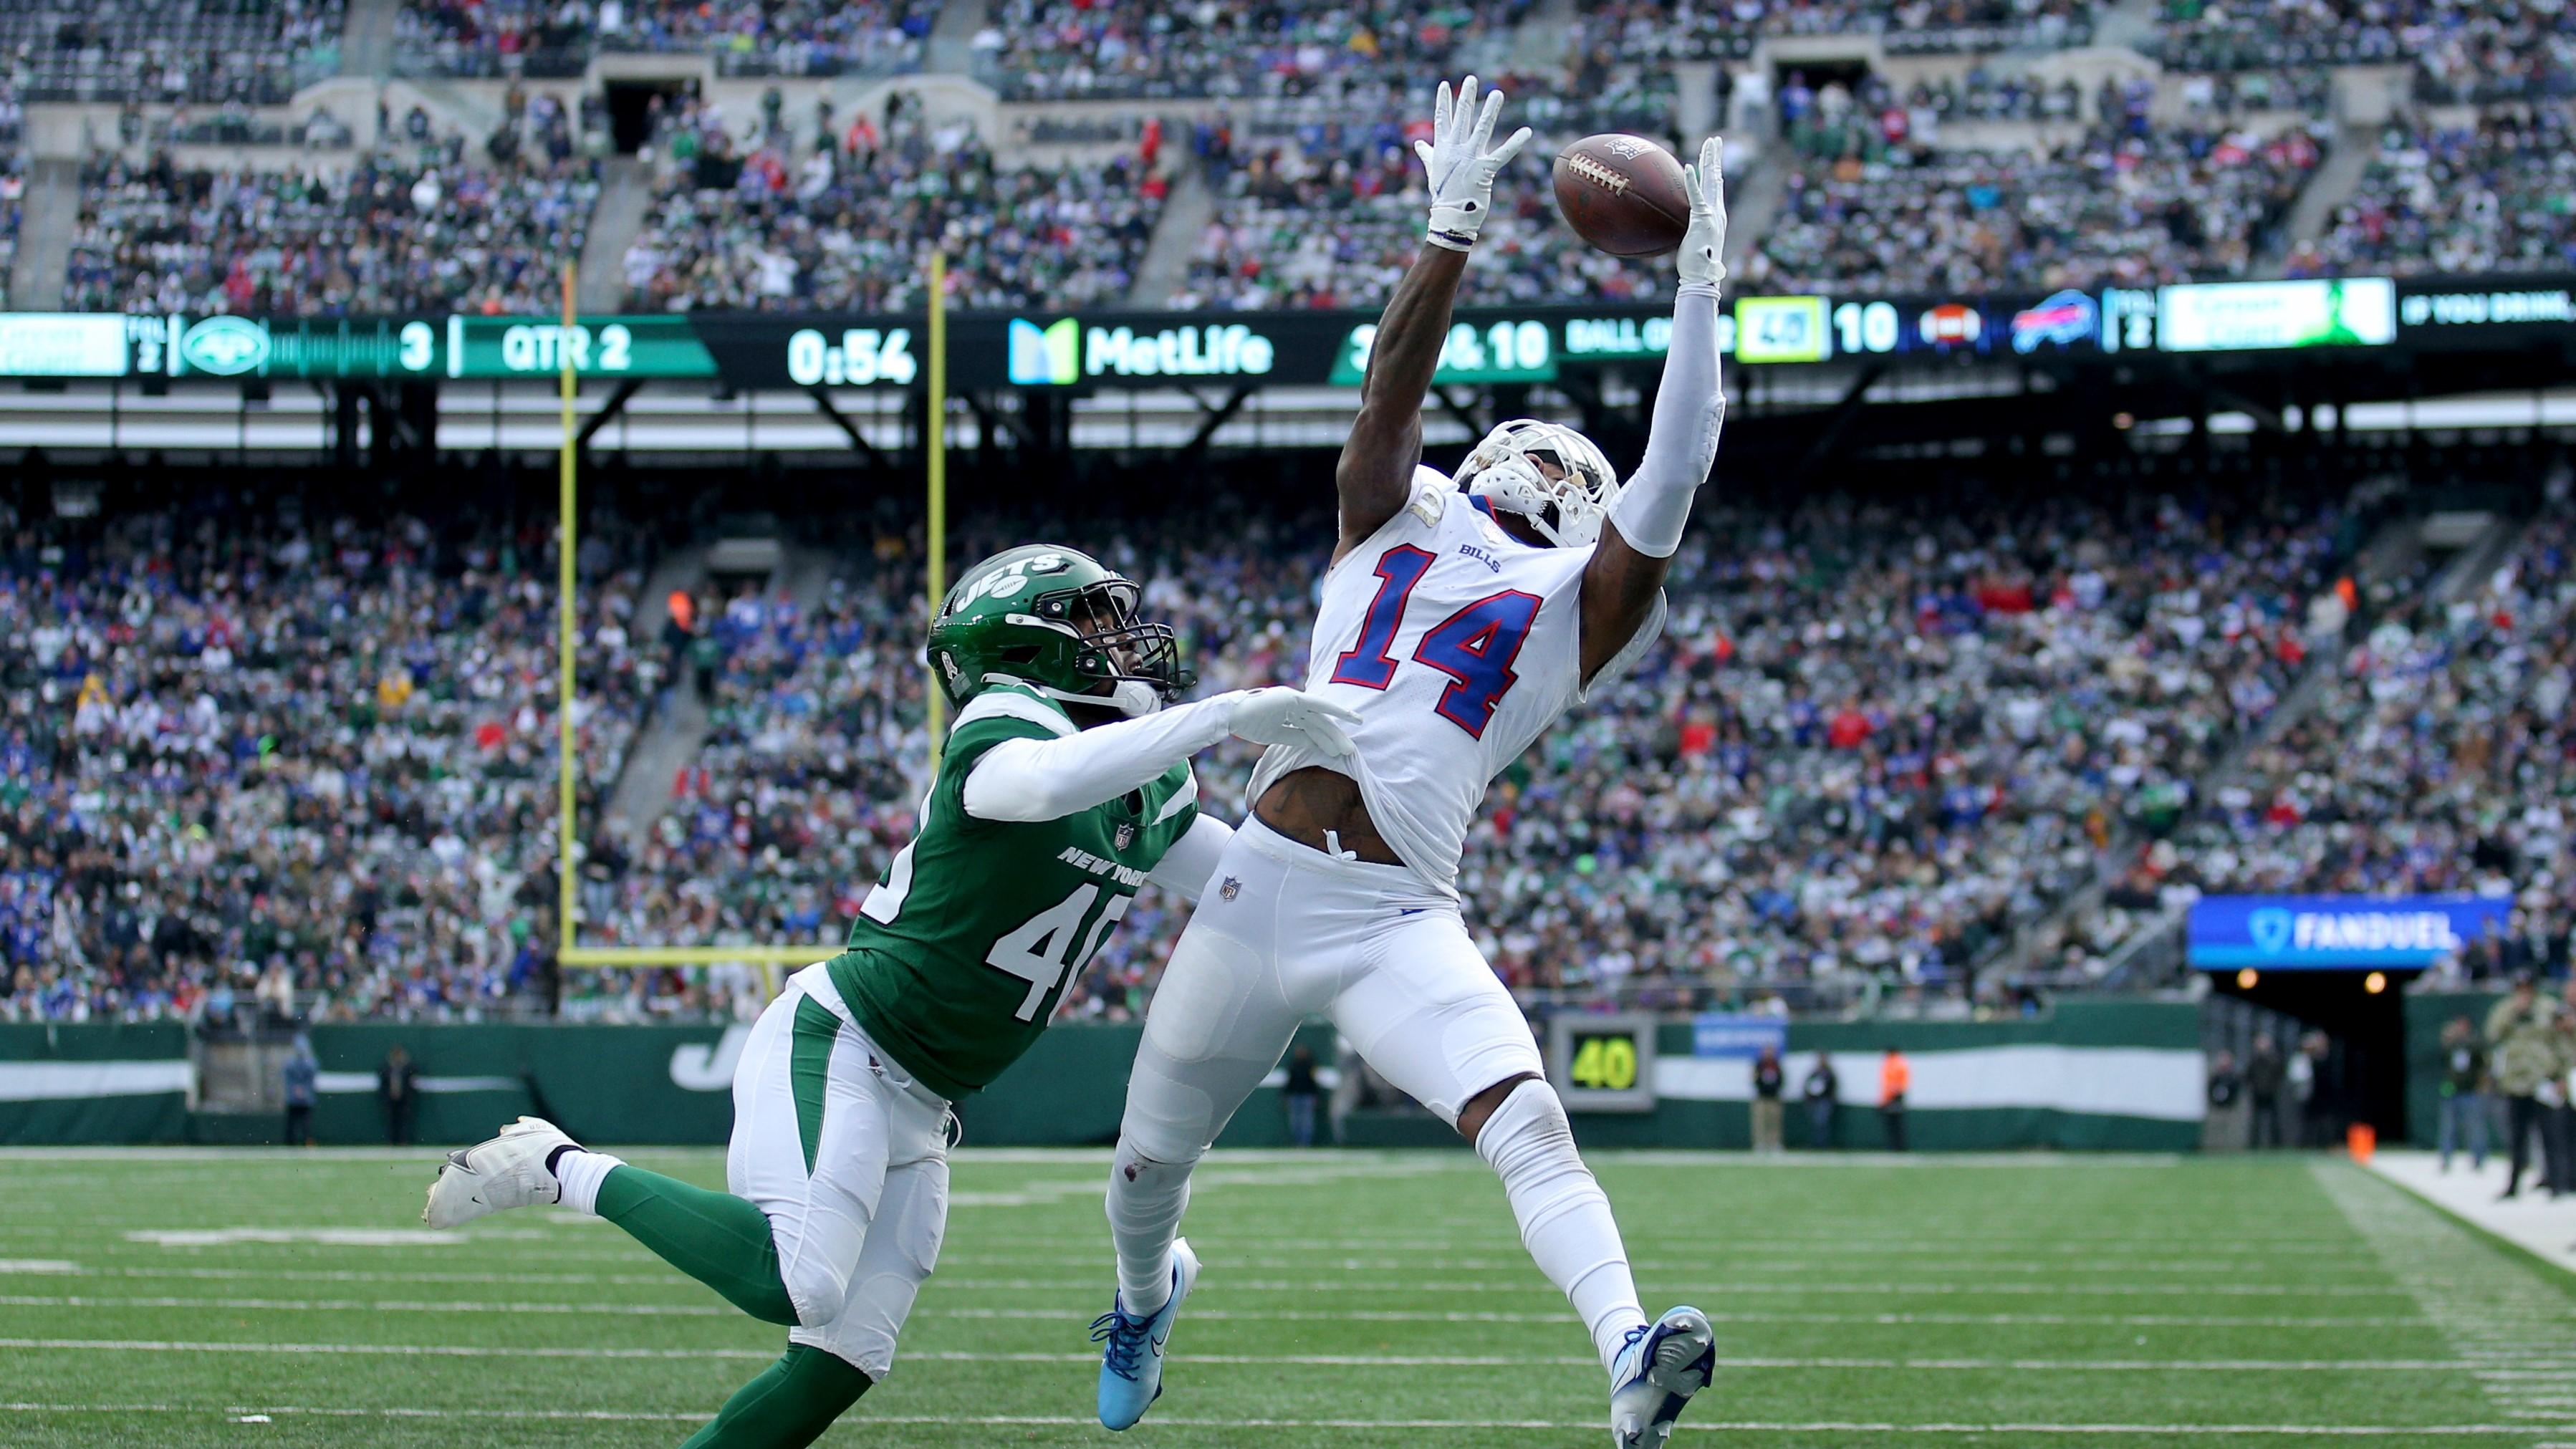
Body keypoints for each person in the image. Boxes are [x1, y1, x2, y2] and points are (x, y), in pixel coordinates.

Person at [1094, 77, 1734, 1449]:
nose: (1524, 465)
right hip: (1258, 883)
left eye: (1555, 464)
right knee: (1146, 1167)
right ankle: (1146, 1299)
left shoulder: (1576, 601)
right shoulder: (1393, 516)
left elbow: (1671, 487)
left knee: (1527, 1115)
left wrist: (1697, 300)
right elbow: (1392, 385)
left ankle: (1630, 1347)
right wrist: (1446, 229)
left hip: (1393, 914)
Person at [426, 544, 1360, 1449]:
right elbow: (1037, 786)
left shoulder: (1144, 779)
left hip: (926, 1098)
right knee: (805, 1282)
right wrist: (1226, 712)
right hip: (846, 1041)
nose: (1122, 641)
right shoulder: (1007, 722)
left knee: (843, 1359)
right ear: (1029, 643)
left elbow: (1247, 880)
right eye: (1093, 618)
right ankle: (559, 1165)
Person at [2488, 973, 2562, 1198]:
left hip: (2542, 1077)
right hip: (2516, 1081)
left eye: (2527, 987)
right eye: (2519, 987)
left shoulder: (2549, 1007)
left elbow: (2559, 1039)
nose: (2524, 992)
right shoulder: (2506, 1009)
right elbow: (2493, 1034)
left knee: (2550, 1134)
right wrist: (2515, 1012)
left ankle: (2555, 1183)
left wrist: (2558, 1074)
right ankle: (2513, 1185)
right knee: (2517, 1137)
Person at [2438, 1015, 2489, 1173]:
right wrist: (2448, 1039)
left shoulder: (2474, 1044)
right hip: (2452, 1091)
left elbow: (2481, 1056)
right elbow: (2443, 1056)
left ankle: (2478, 1159)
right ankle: (2446, 1159)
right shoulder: (2452, 1045)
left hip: (2470, 1091)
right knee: (2448, 1128)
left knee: (2474, 1127)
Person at [2244, 1033, 2285, 1150]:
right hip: (2257, 1093)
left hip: (2271, 1093)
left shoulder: (2274, 1058)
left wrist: (2274, 1087)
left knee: (2274, 1120)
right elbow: (2248, 1075)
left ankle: (2276, 1145)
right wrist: (2253, 1087)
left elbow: (2279, 1073)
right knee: (2256, 1121)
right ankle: (2254, 1144)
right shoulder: (2254, 1059)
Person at [2202, 1049, 2245, 1153]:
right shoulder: (2215, 1075)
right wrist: (2213, 1101)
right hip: (2218, 1106)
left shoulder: (2234, 1075)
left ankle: (2232, 1149)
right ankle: (2214, 1149)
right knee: (2216, 1129)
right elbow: (2210, 1089)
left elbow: (2237, 1089)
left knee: (2231, 1129)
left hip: (2230, 1106)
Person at [1281, 1043, 1323, 1147]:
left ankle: (1305, 1143)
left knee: (1307, 1121)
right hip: (1294, 1096)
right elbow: (1289, 1081)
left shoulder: (1311, 1065)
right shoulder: (1293, 1064)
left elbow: (1314, 1082)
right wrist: (1286, 1095)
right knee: (1295, 1121)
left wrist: (1316, 1096)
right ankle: (1297, 1142)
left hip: (1307, 1096)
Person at [378, 1044, 418, 1146]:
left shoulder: (407, 1068)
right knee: (391, 1121)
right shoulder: (387, 1068)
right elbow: (383, 1083)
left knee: (404, 1121)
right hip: (390, 1099)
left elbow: (413, 1078)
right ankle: (391, 1141)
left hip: (404, 1098)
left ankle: (403, 1141)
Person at [1749, 1044, 1785, 1153]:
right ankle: (1760, 1143)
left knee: (1774, 1122)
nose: (1768, 1053)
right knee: (1760, 1122)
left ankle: (1774, 1144)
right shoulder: (1759, 1064)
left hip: (1774, 1098)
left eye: (1771, 1051)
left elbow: (1781, 1079)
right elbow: (1754, 1079)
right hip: (1762, 1098)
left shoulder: (1776, 1064)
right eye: (1767, 1051)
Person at [282, 1039, 317, 1147]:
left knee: (306, 1123)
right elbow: (288, 1079)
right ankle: (291, 1142)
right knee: (292, 1123)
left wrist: (303, 1090)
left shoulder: (311, 1063)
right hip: (294, 1098)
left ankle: (307, 1141)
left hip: (305, 1099)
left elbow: (311, 1080)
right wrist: (295, 1089)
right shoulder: (290, 1064)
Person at [1802, 1053, 1838, 1149]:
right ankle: (1815, 1143)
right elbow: (1808, 1085)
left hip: (1824, 1101)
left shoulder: (1829, 1073)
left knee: (1822, 1123)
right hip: (1815, 1101)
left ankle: (1823, 1144)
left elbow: (1833, 1087)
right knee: (1816, 1123)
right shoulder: (1814, 1073)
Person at [1878, 1046, 1910, 1152]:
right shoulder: (1900, 1063)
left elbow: (1892, 1085)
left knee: (1894, 1124)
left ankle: (1897, 1147)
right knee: (1895, 1124)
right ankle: (1898, 1146)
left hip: (1894, 1097)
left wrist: (1885, 1100)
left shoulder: (1894, 1064)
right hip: (1895, 1097)